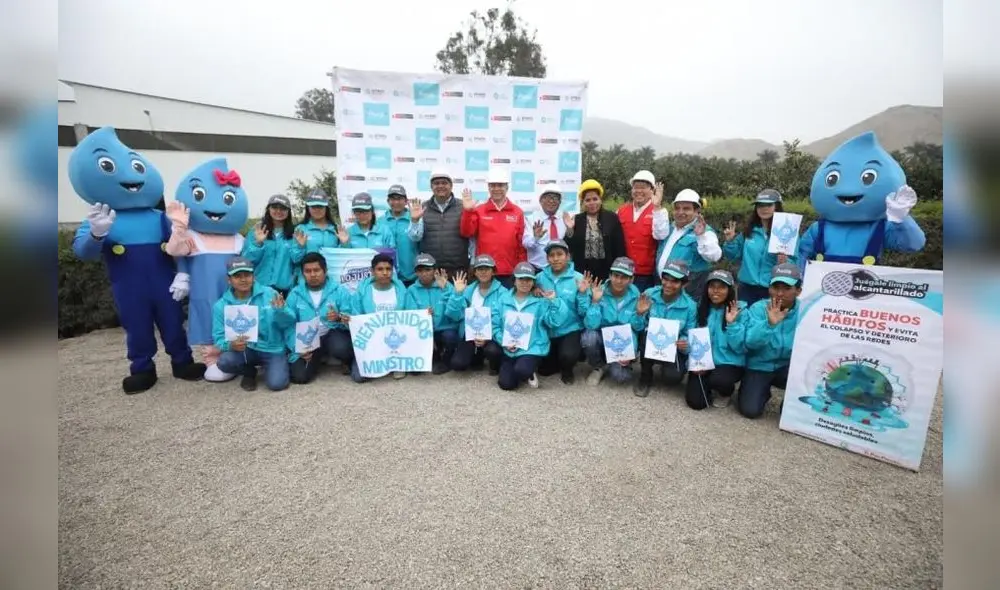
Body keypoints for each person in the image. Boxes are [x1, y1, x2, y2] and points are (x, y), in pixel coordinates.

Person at [69, 126, 205, 394]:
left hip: (164, 283)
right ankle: (142, 367)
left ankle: (182, 361)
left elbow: (180, 247)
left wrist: (183, 273)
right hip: (129, 287)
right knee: (137, 326)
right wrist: (96, 234)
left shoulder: (159, 217)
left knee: (173, 322)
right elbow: (83, 252)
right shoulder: (102, 219)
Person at [164, 157, 250, 383]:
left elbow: (250, 261)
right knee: (206, 317)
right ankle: (212, 360)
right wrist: (179, 227)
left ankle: (236, 356)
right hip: (205, 290)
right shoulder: (194, 237)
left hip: (232, 290)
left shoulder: (237, 239)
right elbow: (174, 250)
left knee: (235, 317)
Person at [797, 131, 926, 269]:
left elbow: (913, 244)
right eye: (832, 179)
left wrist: (901, 218)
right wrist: (800, 277)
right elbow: (801, 255)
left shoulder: (881, 227)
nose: (848, 190)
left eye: (868, 177)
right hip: (823, 282)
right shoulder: (818, 229)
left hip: (864, 281)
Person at [213, 257, 295, 392]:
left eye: (247, 275)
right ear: (229, 280)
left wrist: (281, 311)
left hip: (272, 348)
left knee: (277, 384)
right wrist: (231, 345)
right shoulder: (221, 306)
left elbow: (289, 322)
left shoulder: (270, 294)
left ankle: (276, 365)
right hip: (245, 349)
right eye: (237, 276)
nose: (243, 279)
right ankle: (249, 371)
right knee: (224, 362)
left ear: (253, 277)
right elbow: (218, 337)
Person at [738, 262, 802, 419]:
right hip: (760, 365)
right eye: (775, 287)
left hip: (789, 366)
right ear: (769, 288)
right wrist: (769, 324)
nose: (779, 293)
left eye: (787, 288)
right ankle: (760, 390)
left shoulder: (805, 311)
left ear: (798, 291)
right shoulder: (758, 308)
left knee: (793, 412)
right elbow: (750, 343)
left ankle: (789, 402)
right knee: (750, 411)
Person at [491, 262, 569, 391]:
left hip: (532, 349)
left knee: (522, 370)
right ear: (514, 280)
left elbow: (554, 322)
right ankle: (511, 367)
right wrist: (503, 341)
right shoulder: (503, 299)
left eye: (529, 279)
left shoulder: (540, 301)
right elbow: (495, 325)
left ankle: (530, 370)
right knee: (506, 385)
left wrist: (554, 301)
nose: (525, 283)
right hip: (509, 349)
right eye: (521, 278)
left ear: (533, 282)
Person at [284, 253, 355, 384]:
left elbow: (351, 318)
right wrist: (297, 347)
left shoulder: (339, 290)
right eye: (308, 271)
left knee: (341, 347)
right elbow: (288, 325)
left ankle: (347, 360)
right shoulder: (295, 294)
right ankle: (316, 360)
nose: (312, 275)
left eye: (316, 270)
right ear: (303, 273)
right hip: (307, 339)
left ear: (325, 271)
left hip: (332, 334)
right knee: (300, 377)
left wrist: (338, 318)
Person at [632, 260, 698, 398]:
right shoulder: (649, 294)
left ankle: (665, 366)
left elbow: (689, 334)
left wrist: (684, 343)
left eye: (675, 281)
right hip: (649, 343)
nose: (668, 284)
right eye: (665, 279)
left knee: (672, 378)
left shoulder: (690, 306)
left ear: (684, 284)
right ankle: (645, 376)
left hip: (673, 347)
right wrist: (639, 314)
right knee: (646, 335)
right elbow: (637, 327)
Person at [721, 189, 797, 305]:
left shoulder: (788, 232)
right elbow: (733, 256)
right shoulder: (749, 231)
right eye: (760, 205)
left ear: (777, 206)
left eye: (769, 205)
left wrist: (785, 262)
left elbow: (795, 261)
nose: (764, 209)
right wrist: (730, 241)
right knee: (744, 316)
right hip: (746, 289)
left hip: (774, 288)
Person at [685, 270, 747, 410]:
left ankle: (725, 392)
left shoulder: (741, 310)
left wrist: (732, 324)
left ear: (730, 290)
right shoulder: (700, 308)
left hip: (728, 363)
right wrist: (693, 361)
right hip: (703, 362)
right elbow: (692, 337)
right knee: (696, 403)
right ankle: (707, 386)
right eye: (712, 286)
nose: (716, 291)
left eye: (722, 287)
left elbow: (740, 347)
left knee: (720, 380)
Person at [342, 253, 408, 382]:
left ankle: (398, 361)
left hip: (395, 341)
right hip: (371, 341)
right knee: (360, 377)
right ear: (372, 271)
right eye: (380, 269)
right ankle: (356, 360)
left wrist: (425, 314)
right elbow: (355, 315)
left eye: (388, 269)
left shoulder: (402, 290)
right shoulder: (362, 291)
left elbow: (411, 313)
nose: (385, 273)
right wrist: (348, 321)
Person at [578, 257, 642, 386]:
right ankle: (598, 366)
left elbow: (636, 328)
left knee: (621, 377)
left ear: (631, 279)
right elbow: (591, 325)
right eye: (616, 275)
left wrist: (631, 353)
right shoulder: (599, 291)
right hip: (601, 336)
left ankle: (616, 362)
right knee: (589, 338)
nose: (618, 281)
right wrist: (595, 302)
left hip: (622, 342)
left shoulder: (637, 296)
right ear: (610, 275)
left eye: (624, 277)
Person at [460, 167, 527, 288]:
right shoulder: (479, 210)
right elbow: (466, 232)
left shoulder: (517, 212)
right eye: (493, 185)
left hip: (509, 272)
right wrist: (468, 211)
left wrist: (521, 268)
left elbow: (521, 245)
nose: (496, 189)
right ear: (488, 188)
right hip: (485, 271)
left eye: (500, 185)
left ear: (507, 187)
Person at [654, 188, 722, 300]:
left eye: (686, 209)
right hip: (665, 284)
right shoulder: (670, 228)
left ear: (697, 211)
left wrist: (701, 236)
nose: (680, 212)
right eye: (677, 208)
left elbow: (714, 256)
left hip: (689, 289)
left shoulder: (705, 231)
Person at [534, 240, 586, 384]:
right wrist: (533, 289)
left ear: (568, 256)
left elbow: (583, 312)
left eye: (560, 254)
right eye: (551, 255)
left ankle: (567, 369)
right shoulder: (539, 278)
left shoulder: (578, 278)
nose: (556, 258)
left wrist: (583, 294)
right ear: (547, 258)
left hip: (570, 328)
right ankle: (555, 358)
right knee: (544, 370)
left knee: (568, 356)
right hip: (547, 329)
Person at [446, 255, 505, 374]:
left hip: (491, 336)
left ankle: (495, 364)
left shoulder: (503, 292)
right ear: (475, 272)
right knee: (458, 365)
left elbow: (502, 319)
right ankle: (477, 357)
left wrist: (487, 337)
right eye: (480, 269)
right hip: (470, 334)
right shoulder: (467, 290)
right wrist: (457, 294)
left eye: (487, 269)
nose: (483, 272)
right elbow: (453, 315)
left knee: (493, 351)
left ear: (493, 271)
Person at [403, 253, 460, 375]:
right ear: (415, 272)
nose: (424, 273)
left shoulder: (447, 285)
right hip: (423, 330)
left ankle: (446, 361)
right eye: (420, 270)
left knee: (450, 337)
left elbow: (455, 312)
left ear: (435, 270)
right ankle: (433, 355)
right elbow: (409, 313)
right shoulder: (411, 290)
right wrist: (422, 313)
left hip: (444, 328)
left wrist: (445, 290)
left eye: (428, 269)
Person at [617, 170, 671, 291]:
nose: (639, 191)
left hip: (646, 275)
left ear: (652, 190)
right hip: (623, 271)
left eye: (643, 187)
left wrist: (657, 207)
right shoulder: (621, 211)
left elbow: (661, 235)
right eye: (636, 187)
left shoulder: (659, 212)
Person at [411, 170, 470, 278]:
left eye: (444, 183)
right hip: (431, 271)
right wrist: (414, 221)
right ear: (431, 187)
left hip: (458, 270)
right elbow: (415, 238)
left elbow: (471, 238)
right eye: (436, 183)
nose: (440, 186)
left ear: (451, 186)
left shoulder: (463, 206)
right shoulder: (422, 208)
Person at [563, 179, 626, 281]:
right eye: (587, 200)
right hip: (581, 273)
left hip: (607, 273)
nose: (592, 203)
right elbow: (568, 247)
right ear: (583, 202)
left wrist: (618, 272)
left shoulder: (611, 218)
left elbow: (619, 247)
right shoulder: (577, 219)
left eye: (595, 199)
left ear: (600, 199)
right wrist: (570, 229)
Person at [243, 194, 298, 298]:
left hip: (284, 289)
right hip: (259, 287)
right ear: (268, 209)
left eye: (283, 208)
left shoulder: (295, 233)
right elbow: (246, 260)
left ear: (289, 211)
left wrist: (300, 247)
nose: (278, 211)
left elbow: (297, 260)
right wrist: (258, 244)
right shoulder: (257, 230)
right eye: (274, 207)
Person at [381, 184, 424, 286]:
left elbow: (417, 238)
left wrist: (414, 221)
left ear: (406, 201)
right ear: (388, 201)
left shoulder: (416, 218)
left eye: (399, 199)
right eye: (393, 199)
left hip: (411, 276)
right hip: (386, 275)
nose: (396, 202)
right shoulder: (380, 221)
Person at [522, 189, 567, 271]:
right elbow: (526, 244)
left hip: (560, 269)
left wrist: (570, 229)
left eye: (555, 198)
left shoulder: (564, 219)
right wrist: (536, 238)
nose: (551, 201)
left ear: (560, 202)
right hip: (538, 269)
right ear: (541, 201)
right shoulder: (531, 219)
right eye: (548, 197)